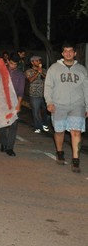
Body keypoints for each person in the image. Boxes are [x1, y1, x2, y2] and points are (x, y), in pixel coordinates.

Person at [44, 43, 88, 173]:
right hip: (59, 105)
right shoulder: (54, 68)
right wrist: (49, 102)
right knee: (59, 131)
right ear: (62, 54)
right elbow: (48, 86)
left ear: (75, 53)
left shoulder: (81, 69)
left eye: (71, 51)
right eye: (65, 51)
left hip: (77, 105)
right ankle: (60, 152)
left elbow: (86, 88)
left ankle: (76, 160)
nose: (68, 53)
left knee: (76, 131)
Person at [0, 54, 24, 156]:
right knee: (2, 124)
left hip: (14, 101)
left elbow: (21, 91)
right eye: (12, 63)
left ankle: (10, 147)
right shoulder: (1, 71)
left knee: (13, 124)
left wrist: (19, 104)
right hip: (2, 100)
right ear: (8, 61)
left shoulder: (20, 74)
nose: (13, 66)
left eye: (15, 64)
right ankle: (3, 144)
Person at [25, 54, 49, 133]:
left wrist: (41, 72)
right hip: (34, 94)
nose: (38, 62)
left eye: (39, 60)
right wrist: (38, 73)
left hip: (45, 94)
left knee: (46, 111)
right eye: (36, 61)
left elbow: (48, 79)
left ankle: (45, 124)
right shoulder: (29, 71)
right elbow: (30, 80)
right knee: (36, 112)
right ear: (32, 62)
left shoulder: (44, 70)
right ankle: (38, 126)